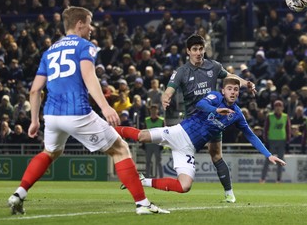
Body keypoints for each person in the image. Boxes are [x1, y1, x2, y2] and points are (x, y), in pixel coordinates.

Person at [7, 6, 169, 215]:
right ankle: (142, 204)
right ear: (79, 24)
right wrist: (105, 106)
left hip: (52, 115)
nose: (92, 28)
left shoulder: (50, 51)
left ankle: (19, 193)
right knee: (120, 149)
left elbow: (34, 90)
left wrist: (34, 121)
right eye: (90, 23)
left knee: (51, 152)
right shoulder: (85, 46)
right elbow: (89, 76)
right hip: (77, 112)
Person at [116, 75, 285, 194]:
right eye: (230, 89)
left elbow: (251, 135)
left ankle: (142, 181)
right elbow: (201, 104)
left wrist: (268, 155)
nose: (233, 92)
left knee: (184, 187)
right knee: (141, 136)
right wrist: (216, 109)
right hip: (179, 133)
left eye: (236, 89)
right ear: (223, 90)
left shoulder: (237, 114)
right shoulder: (215, 97)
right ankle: (108, 129)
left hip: (188, 149)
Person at [160, 34, 256, 203]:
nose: (198, 52)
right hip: (193, 122)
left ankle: (229, 193)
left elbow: (231, 78)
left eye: (201, 49)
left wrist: (246, 83)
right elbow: (169, 89)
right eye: (195, 49)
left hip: (213, 119)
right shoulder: (181, 72)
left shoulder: (214, 67)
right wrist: (166, 97)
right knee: (183, 151)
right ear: (188, 51)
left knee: (216, 155)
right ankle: (167, 181)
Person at [260, 100, 291, 183]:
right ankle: (263, 178)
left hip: (282, 141)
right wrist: (266, 141)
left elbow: (288, 129)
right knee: (268, 160)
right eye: (276, 106)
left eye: (279, 106)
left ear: (282, 108)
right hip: (271, 141)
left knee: (280, 161)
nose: (278, 108)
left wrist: (288, 141)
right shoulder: (269, 116)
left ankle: (278, 179)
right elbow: (265, 129)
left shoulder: (285, 116)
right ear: (274, 108)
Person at [143, 104, 164, 178]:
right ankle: (147, 177)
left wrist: (163, 144)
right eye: (152, 110)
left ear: (157, 110)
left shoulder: (161, 120)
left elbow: (164, 133)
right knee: (148, 162)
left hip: (157, 143)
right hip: (148, 143)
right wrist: (143, 143)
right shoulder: (147, 120)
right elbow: (144, 132)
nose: (153, 111)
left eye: (155, 110)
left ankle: (161, 177)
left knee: (159, 162)